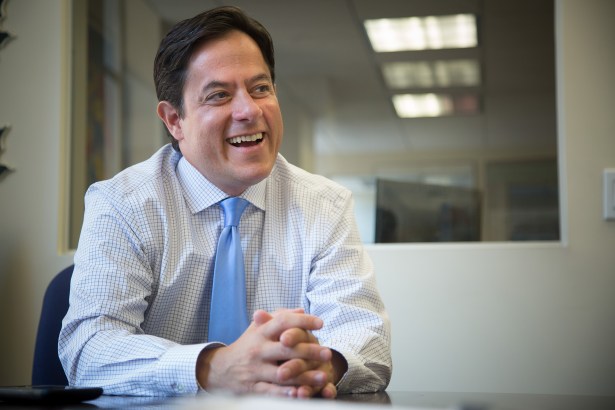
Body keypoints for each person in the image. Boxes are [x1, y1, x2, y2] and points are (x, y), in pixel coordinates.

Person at [59, 5, 391, 399]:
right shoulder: (123, 204)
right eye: (219, 95)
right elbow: (88, 349)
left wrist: (322, 364)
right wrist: (213, 367)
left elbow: (368, 341)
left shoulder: (325, 205)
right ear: (174, 120)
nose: (249, 110)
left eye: (260, 88)